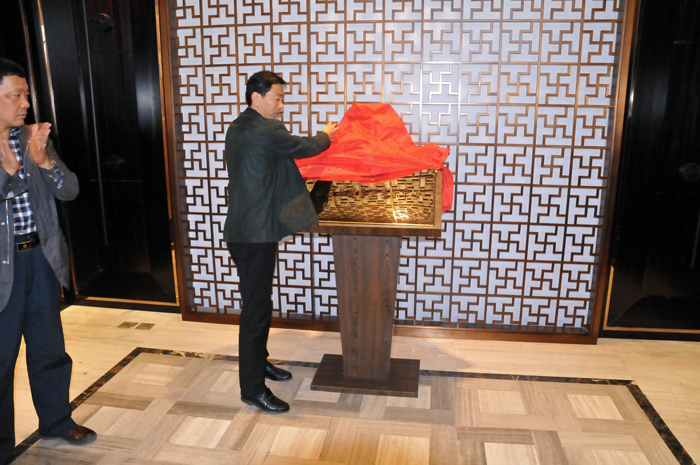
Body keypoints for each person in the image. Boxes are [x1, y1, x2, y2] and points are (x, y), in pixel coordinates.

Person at [225, 70, 338, 414]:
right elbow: (306, 147)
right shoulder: (268, 130)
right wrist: (327, 134)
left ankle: (259, 364)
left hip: (244, 230)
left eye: (282, 98)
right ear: (256, 97)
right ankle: (252, 389)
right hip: (256, 234)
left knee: (258, 303)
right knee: (256, 311)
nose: (281, 105)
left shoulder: (237, 127)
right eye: (277, 98)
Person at [0, 58, 95, 463]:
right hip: (3, 268)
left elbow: (69, 190)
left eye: (25, 94)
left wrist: (43, 162)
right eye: (15, 95)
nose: (25, 103)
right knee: (1, 361)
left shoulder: (32, 138)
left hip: (40, 258)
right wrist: (8, 173)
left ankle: (56, 420)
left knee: (49, 347)